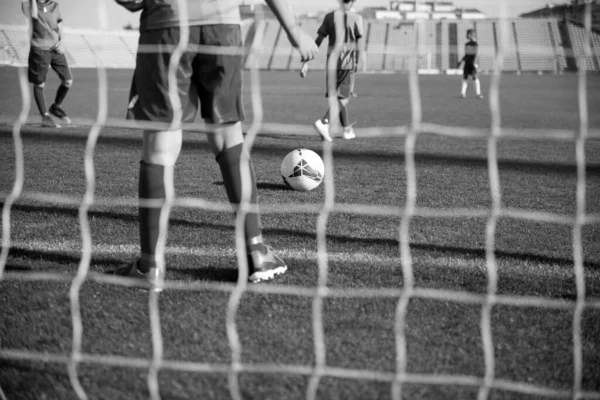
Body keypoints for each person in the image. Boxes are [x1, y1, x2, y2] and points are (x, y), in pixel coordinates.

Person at [113, 0, 318, 284]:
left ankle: (151, 266)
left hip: (167, 23)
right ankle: (257, 253)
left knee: (161, 145)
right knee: (228, 135)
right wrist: (294, 30)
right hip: (222, 25)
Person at [300, 0, 364, 142]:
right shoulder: (357, 18)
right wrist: (358, 62)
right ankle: (324, 122)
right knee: (344, 99)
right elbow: (359, 44)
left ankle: (346, 130)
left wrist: (306, 62)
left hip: (331, 64)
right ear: (353, 2)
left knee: (339, 98)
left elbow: (318, 40)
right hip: (347, 63)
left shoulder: (329, 17)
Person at [21, 0, 73, 128]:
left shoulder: (55, 5)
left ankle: (56, 107)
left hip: (56, 49)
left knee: (68, 81)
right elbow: (33, 15)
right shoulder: (28, 4)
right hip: (39, 49)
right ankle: (45, 116)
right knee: (40, 83)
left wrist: (61, 41)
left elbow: (60, 24)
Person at [457, 29, 483, 99]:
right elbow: (466, 54)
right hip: (467, 64)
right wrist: (461, 61)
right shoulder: (467, 44)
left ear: (471, 35)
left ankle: (478, 94)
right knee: (465, 77)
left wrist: (475, 62)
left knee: (475, 77)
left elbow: (476, 54)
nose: (466, 35)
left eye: (467, 34)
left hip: (472, 64)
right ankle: (463, 93)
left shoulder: (475, 44)